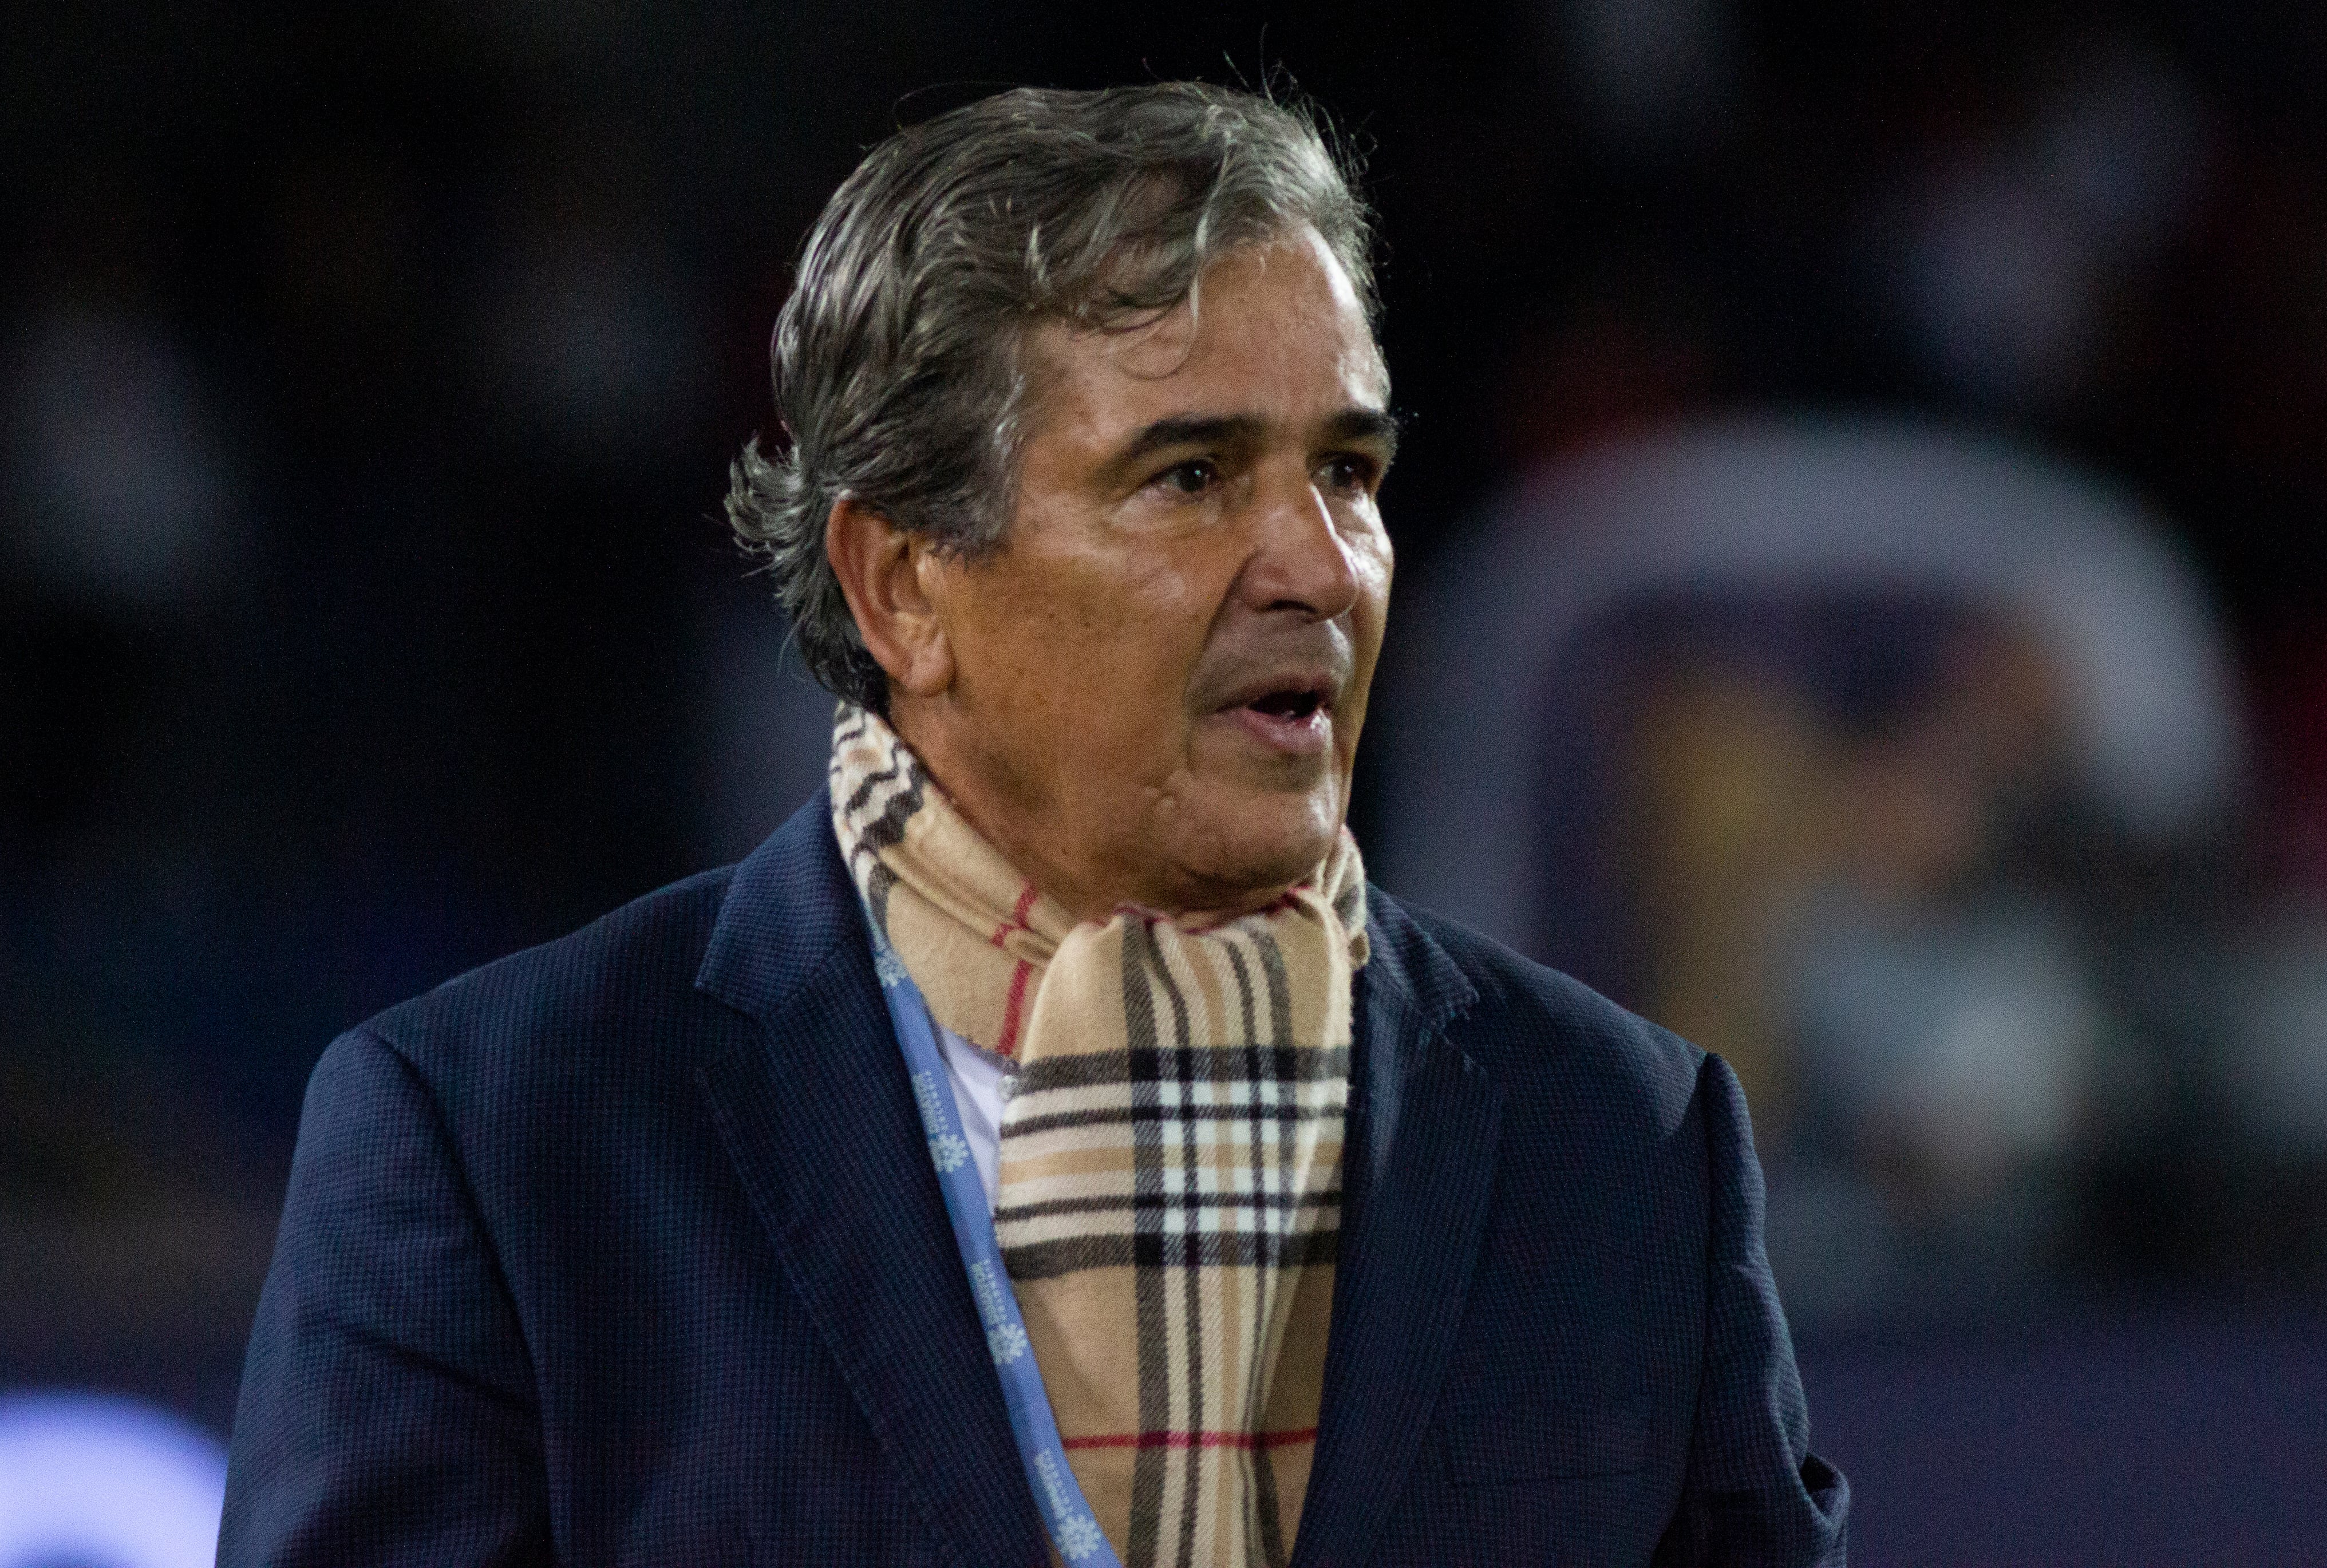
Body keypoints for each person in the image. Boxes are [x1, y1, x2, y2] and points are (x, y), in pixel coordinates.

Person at [218, 83, 1847, 1567]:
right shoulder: (504, 1145)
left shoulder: (1622, 1143)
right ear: (902, 586)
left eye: (1348, 472)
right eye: (1192, 476)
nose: (1318, 565)